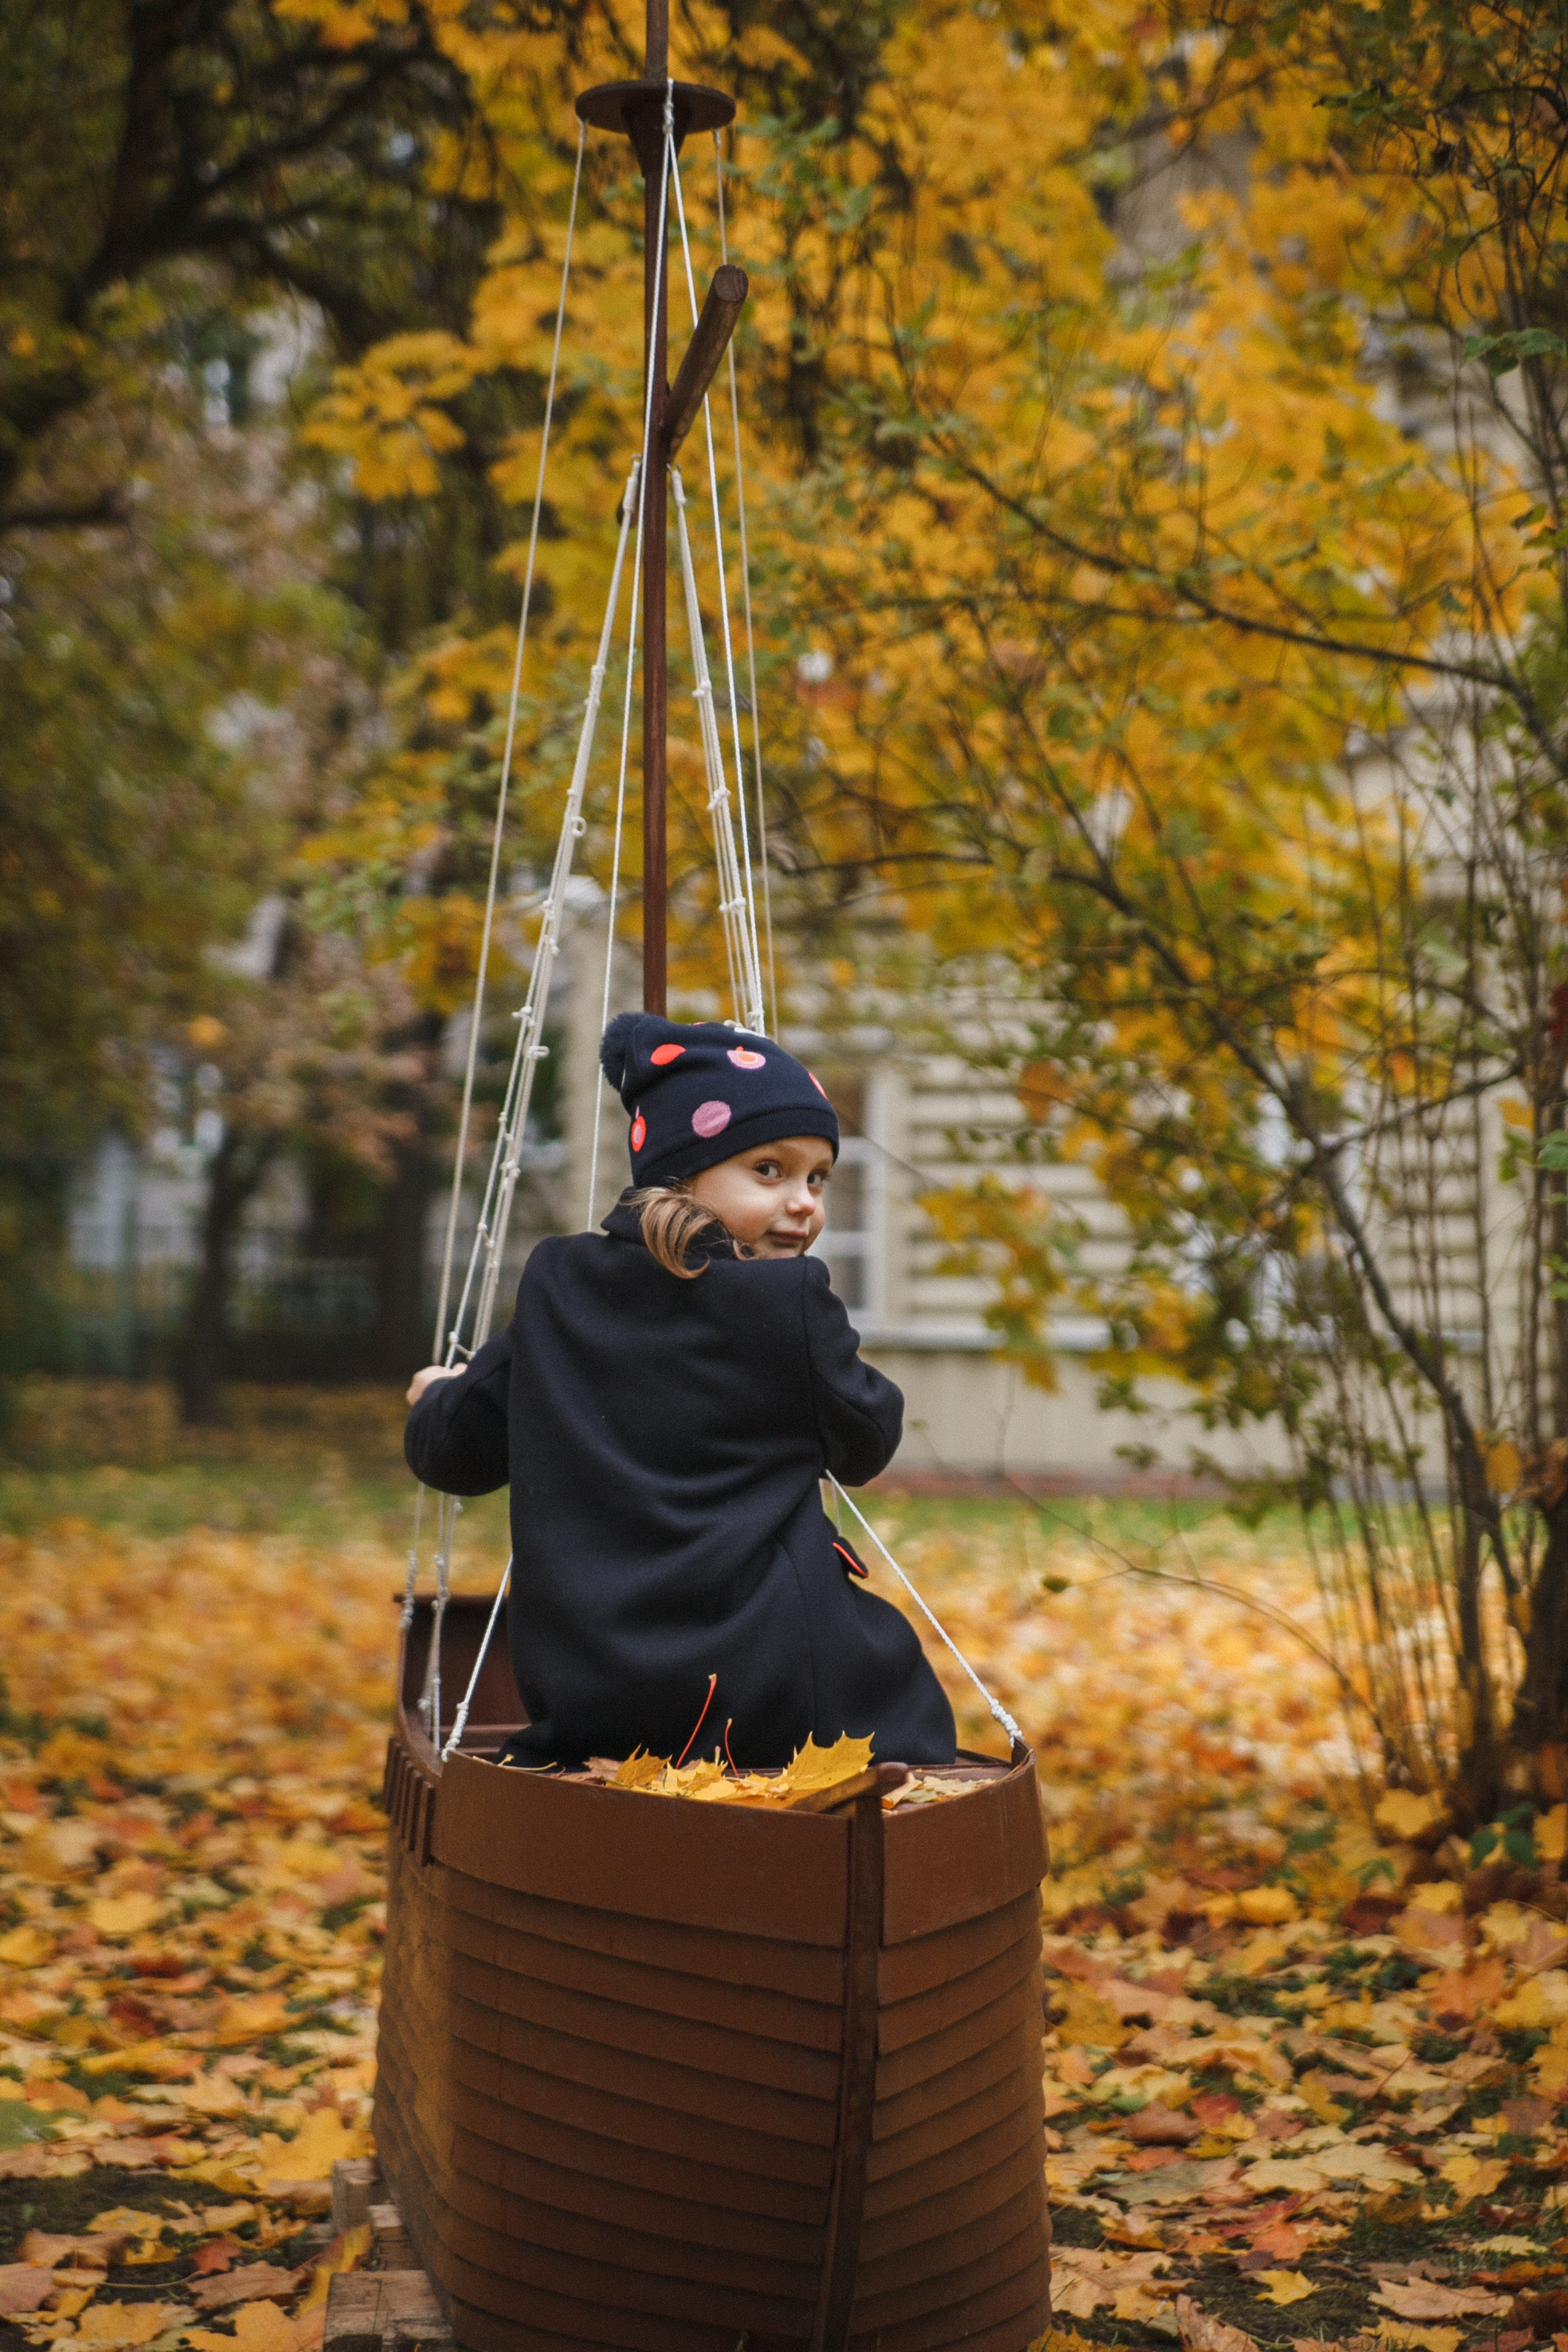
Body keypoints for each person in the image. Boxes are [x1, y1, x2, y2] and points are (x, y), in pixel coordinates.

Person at [403, 1012, 958, 1771]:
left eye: (818, 1178)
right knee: (894, 1687)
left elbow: (453, 1454)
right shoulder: (786, 1304)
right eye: (770, 1170)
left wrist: (438, 1394)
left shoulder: (559, 1282)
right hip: (767, 1697)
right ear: (680, 1174)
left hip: (591, 1695)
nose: (805, 1202)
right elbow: (868, 1440)